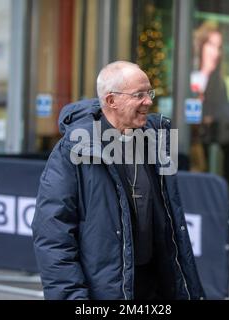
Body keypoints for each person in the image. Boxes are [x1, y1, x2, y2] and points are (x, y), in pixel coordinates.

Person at [32, 61, 205, 300]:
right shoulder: (73, 150)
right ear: (111, 100)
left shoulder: (154, 142)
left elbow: (170, 229)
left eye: (149, 93)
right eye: (139, 95)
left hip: (153, 289)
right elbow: (53, 235)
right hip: (104, 293)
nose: (149, 101)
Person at [189, 21, 229, 180]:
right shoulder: (187, 77)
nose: (215, 52)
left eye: (219, 47)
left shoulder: (219, 84)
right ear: (200, 45)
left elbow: (224, 118)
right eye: (211, 45)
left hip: (208, 148)